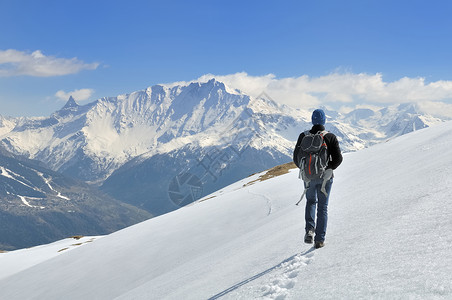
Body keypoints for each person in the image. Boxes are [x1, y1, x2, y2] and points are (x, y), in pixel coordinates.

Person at [293, 109, 343, 249]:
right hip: (325, 178)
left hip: (308, 177)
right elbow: (338, 158)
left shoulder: (303, 136)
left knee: (310, 202)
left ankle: (309, 229)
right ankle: (319, 239)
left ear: (312, 120)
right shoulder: (330, 137)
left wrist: (305, 170)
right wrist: (329, 168)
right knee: (323, 207)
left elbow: (296, 158)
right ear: (324, 121)